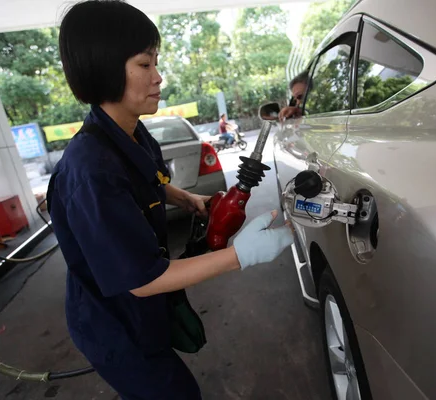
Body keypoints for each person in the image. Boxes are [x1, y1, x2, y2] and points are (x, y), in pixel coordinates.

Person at [49, 2, 294, 399]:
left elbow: (149, 179)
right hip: (117, 327)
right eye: (145, 65)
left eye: (156, 62)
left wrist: (188, 198)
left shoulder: (128, 132)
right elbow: (142, 280)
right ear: (104, 66)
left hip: (146, 314)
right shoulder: (90, 172)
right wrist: (240, 255)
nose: (159, 77)